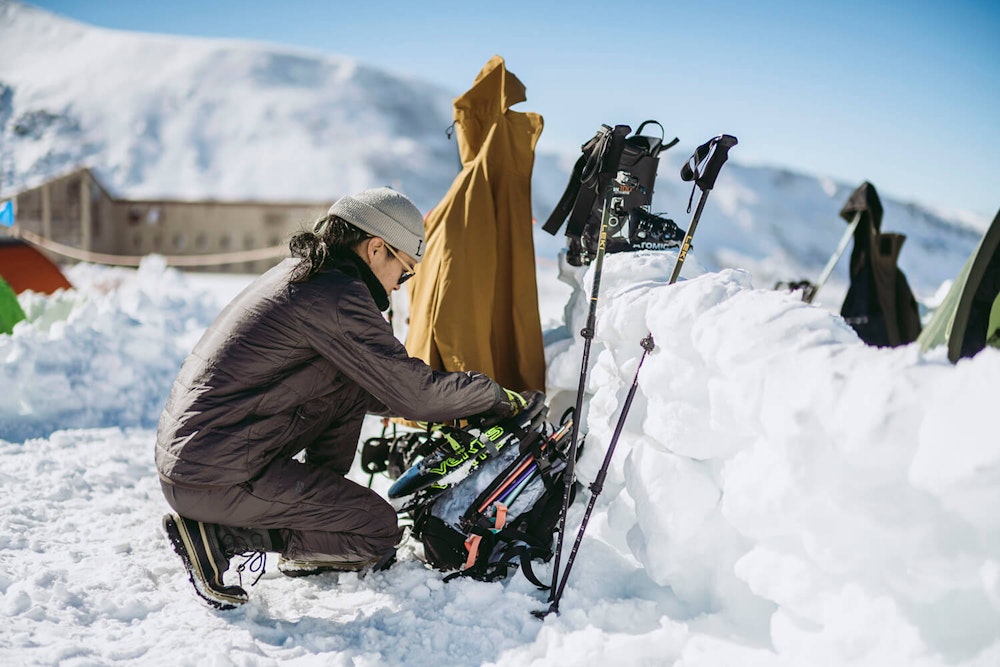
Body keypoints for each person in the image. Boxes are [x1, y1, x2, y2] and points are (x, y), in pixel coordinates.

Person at [156, 187, 530, 609]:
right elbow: (414, 395)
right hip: (215, 476)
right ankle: (219, 540)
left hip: (203, 460)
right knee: (377, 530)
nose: (400, 286)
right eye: (405, 272)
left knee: (350, 388)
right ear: (375, 248)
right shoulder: (336, 295)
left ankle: (316, 533)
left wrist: (455, 408)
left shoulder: (307, 277)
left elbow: (377, 386)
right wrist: (494, 396)